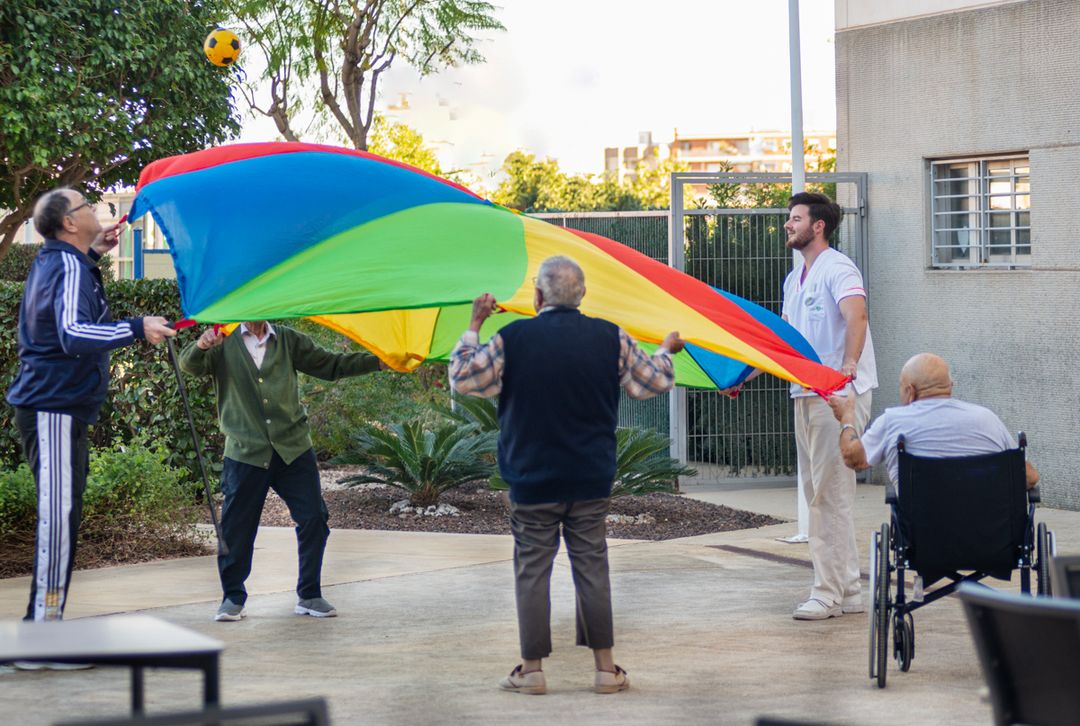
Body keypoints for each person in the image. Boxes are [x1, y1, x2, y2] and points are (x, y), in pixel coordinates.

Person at [449, 255, 685, 696]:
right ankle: (605, 670)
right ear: (582, 296)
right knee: (592, 567)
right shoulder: (609, 337)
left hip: (531, 478)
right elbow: (650, 382)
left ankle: (532, 670)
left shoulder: (512, 337)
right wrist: (664, 352)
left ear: (538, 296)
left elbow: (464, 379)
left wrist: (474, 324)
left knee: (532, 572)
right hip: (590, 477)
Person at [7, 188, 175, 628]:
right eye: (85, 206)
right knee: (59, 520)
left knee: (63, 516)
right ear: (68, 223)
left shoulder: (67, 262)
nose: (94, 210)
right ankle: (42, 635)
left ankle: (44, 626)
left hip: (61, 407)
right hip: (53, 406)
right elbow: (73, 334)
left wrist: (93, 254)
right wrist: (138, 327)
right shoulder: (64, 263)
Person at [721, 192, 877, 621]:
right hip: (805, 394)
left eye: (795, 218)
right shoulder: (795, 280)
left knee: (829, 495)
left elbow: (857, 316)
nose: (788, 225)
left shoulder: (838, 267)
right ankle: (846, 589)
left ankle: (826, 592)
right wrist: (741, 379)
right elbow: (782, 344)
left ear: (818, 225)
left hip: (837, 398)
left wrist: (846, 369)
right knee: (820, 495)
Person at [179, 321, 382, 621]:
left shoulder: (287, 339)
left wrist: (380, 361)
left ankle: (310, 595)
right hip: (245, 451)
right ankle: (233, 597)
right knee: (237, 528)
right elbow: (190, 365)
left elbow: (331, 365)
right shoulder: (224, 339)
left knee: (314, 517)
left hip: (293, 448)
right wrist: (201, 345)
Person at [828, 352, 1039, 489]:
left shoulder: (892, 421)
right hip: (991, 542)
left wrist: (847, 418)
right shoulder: (987, 419)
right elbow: (1029, 477)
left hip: (924, 543)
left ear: (909, 391)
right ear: (950, 386)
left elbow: (854, 459)